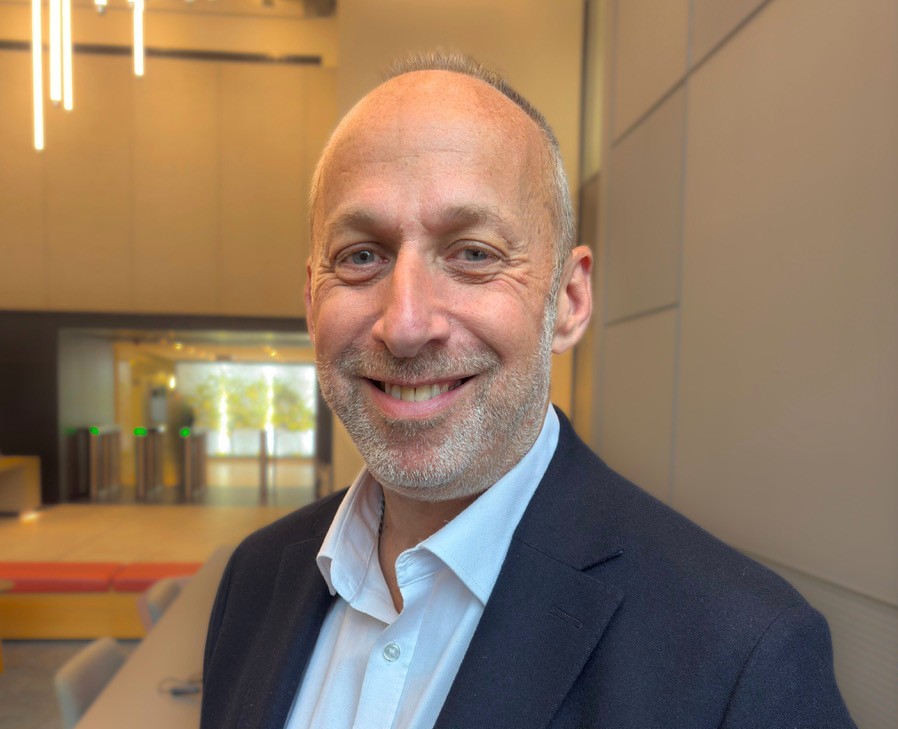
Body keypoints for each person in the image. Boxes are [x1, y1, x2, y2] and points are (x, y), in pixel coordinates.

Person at [200, 52, 855, 729]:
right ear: (313, 303)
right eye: (361, 256)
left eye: (473, 254)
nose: (406, 324)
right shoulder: (255, 577)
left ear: (569, 300)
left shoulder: (740, 658)